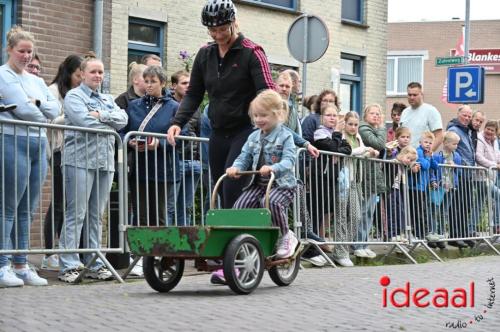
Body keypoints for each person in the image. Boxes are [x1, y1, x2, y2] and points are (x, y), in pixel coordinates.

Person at [167, 0, 275, 210]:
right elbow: (193, 93)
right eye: (212, 31)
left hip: (245, 130)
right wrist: (177, 122)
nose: (218, 35)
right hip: (218, 132)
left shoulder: (252, 52)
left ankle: (239, 240)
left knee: (232, 187)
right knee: (218, 187)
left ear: (234, 23)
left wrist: (264, 119)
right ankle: (231, 241)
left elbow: (267, 91)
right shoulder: (205, 55)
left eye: (222, 29)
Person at [58, 54, 128, 283]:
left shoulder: (107, 99)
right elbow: (84, 122)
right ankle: (69, 265)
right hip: (79, 160)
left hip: (104, 162)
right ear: (83, 74)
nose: (97, 76)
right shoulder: (73, 97)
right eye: (93, 72)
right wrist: (108, 121)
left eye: (100, 72)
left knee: (96, 216)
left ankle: (94, 262)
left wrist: (103, 115)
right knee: (75, 214)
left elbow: (123, 119)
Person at [0, 26, 59, 287]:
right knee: (8, 206)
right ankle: (2, 265)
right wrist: (38, 108)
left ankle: (22, 264)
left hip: (37, 143)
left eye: (29, 52)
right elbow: (25, 111)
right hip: (13, 140)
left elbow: (55, 108)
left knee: (28, 207)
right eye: (21, 51)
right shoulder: (3, 76)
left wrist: (36, 105)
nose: (26, 56)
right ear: (9, 50)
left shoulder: (35, 81)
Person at [229, 90, 298, 255]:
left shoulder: (285, 136)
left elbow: (290, 160)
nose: (259, 120)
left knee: (271, 202)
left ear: (277, 115)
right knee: (239, 207)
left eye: (264, 115)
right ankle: (247, 243)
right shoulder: (253, 137)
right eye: (256, 115)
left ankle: (286, 236)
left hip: (282, 185)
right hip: (258, 184)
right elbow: (243, 156)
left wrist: (274, 167)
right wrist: (236, 167)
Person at [122, 65, 181, 227]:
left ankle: (159, 251)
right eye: (146, 81)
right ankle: (141, 251)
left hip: (162, 168)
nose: (149, 85)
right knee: (140, 213)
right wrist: (130, 141)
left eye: (153, 81)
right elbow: (122, 132)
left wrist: (160, 144)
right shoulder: (134, 106)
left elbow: (184, 137)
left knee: (159, 214)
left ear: (162, 83)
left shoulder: (174, 107)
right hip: (139, 167)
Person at [41, 54, 83, 271]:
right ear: (68, 73)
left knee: (69, 203)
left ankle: (65, 250)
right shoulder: (53, 91)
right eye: (78, 75)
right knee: (58, 201)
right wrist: (69, 117)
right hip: (59, 150)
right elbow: (49, 120)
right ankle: (50, 252)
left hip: (75, 151)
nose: (80, 79)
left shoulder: (76, 93)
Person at [312, 105, 352, 266]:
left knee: (327, 211)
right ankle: (314, 246)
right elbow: (332, 148)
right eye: (329, 115)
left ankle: (321, 241)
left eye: (335, 115)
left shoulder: (336, 135)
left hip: (332, 178)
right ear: (323, 118)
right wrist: (337, 136)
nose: (332, 118)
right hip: (319, 177)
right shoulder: (320, 133)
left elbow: (347, 149)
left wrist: (338, 142)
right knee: (317, 211)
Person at [339, 112, 379, 261]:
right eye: (350, 124)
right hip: (344, 180)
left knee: (356, 215)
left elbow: (361, 154)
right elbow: (349, 153)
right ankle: (342, 247)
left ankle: (348, 244)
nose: (353, 127)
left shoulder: (358, 137)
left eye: (356, 125)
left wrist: (371, 153)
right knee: (342, 215)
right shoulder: (342, 137)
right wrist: (364, 150)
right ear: (344, 124)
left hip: (356, 180)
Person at [354, 104, 386, 258]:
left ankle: (364, 243)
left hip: (373, 175)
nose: (376, 116)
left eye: (378, 114)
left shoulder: (375, 129)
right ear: (365, 115)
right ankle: (357, 244)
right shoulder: (364, 128)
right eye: (372, 113)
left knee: (369, 212)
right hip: (364, 175)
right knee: (362, 211)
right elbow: (378, 143)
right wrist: (381, 128)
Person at [446, 105, 476, 248]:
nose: (467, 118)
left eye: (469, 116)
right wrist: (466, 165)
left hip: (468, 174)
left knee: (466, 205)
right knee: (458, 205)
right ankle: (455, 235)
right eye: (465, 115)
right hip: (460, 173)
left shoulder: (467, 131)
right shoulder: (454, 130)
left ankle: (463, 234)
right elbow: (455, 152)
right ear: (459, 114)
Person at [430, 132, 463, 248]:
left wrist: (455, 167)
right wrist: (433, 180)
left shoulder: (457, 157)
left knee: (444, 212)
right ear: (445, 143)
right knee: (435, 211)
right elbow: (432, 170)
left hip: (451, 187)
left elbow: (460, 172)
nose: (456, 146)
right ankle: (433, 234)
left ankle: (441, 235)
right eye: (454, 144)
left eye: (457, 144)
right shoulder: (437, 156)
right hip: (439, 186)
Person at [408, 131, 438, 241]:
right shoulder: (419, 152)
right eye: (426, 142)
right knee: (418, 210)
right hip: (416, 187)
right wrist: (428, 158)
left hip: (423, 187)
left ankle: (424, 232)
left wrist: (431, 157)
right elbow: (425, 166)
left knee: (424, 209)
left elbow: (435, 166)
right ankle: (420, 233)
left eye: (430, 143)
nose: (428, 145)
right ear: (421, 142)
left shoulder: (427, 153)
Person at [386, 146, 419, 242]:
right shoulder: (393, 162)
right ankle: (392, 234)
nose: (409, 161)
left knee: (400, 210)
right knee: (392, 211)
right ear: (402, 154)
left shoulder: (403, 165)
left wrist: (412, 166)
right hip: (390, 189)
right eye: (408, 158)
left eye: (411, 160)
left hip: (397, 189)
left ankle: (398, 233)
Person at [400, 82, 443, 151]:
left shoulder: (431, 111)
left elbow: (439, 137)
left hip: (421, 158)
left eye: (415, 95)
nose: (412, 97)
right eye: (409, 95)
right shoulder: (405, 112)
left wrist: (429, 153)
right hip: (405, 157)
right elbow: (400, 135)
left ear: (421, 94)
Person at [475, 120, 500, 232]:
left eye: (492, 130)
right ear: (484, 128)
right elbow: (478, 157)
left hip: (490, 176)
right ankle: (497, 225)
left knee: (479, 203)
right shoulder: (480, 139)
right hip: (481, 177)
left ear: (495, 132)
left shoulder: (494, 141)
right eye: (488, 129)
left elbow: (497, 156)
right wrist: (495, 165)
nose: (489, 131)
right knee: (498, 194)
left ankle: (471, 228)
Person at [276, 71, 301, 136]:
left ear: (291, 88)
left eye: (287, 86)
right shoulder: (269, 105)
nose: (284, 89)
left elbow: (298, 133)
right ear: (276, 86)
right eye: (281, 85)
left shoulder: (293, 107)